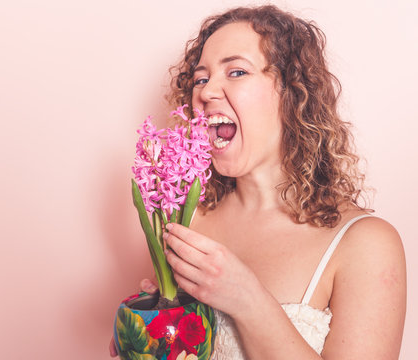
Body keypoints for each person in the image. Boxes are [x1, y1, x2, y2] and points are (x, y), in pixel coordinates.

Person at [110, 5, 406, 359]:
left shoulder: (366, 244)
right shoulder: (183, 225)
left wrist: (246, 298)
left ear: (292, 94)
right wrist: (148, 339)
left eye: (236, 72)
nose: (205, 92)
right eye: (201, 79)